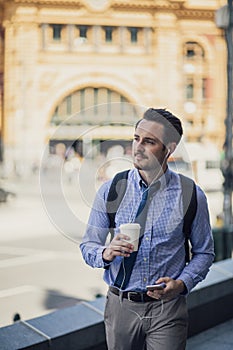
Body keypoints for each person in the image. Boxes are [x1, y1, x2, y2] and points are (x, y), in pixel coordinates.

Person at [80, 108, 215, 350]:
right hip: (121, 306)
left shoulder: (191, 195)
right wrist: (106, 252)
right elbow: (88, 245)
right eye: (136, 138)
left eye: (149, 141)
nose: (138, 147)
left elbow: (204, 253)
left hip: (168, 309)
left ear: (169, 148)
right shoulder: (112, 190)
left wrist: (182, 283)